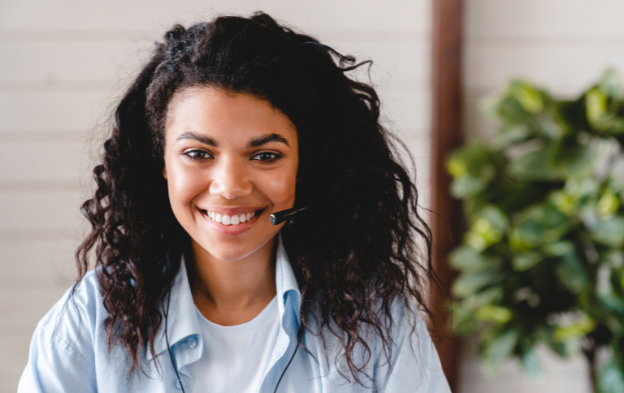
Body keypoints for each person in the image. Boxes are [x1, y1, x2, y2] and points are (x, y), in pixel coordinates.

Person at [18, 12, 451, 393]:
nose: (229, 187)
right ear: (162, 163)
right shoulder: (92, 318)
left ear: (303, 166)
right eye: (198, 154)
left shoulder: (378, 321)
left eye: (265, 155)